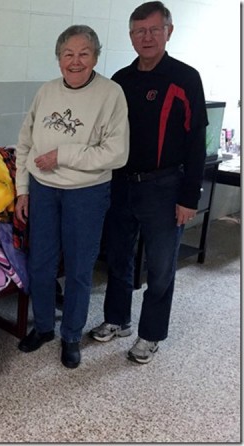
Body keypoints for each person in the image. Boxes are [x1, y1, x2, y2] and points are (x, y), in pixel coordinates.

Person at [89, 1, 208, 364]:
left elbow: (196, 140)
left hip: (165, 186)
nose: (147, 37)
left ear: (169, 31)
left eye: (155, 29)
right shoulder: (122, 79)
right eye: (140, 31)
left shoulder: (185, 78)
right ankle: (116, 319)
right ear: (131, 36)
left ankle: (150, 334)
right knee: (119, 257)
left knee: (159, 265)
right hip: (122, 184)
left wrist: (189, 197)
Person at [14, 25, 129, 368]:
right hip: (43, 189)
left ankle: (72, 335)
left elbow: (116, 153)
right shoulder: (46, 92)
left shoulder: (111, 94)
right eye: (68, 54)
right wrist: (22, 189)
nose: (75, 61)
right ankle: (46, 327)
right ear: (58, 58)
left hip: (87, 193)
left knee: (79, 268)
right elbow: (24, 144)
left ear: (96, 56)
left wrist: (63, 155)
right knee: (41, 263)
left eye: (84, 53)